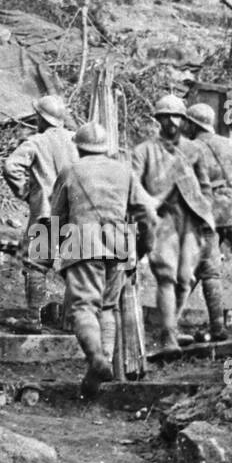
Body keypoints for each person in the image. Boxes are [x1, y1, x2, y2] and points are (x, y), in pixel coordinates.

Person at [50, 122, 156, 397]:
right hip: (119, 244)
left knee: (82, 307)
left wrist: (43, 256)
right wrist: (144, 247)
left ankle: (96, 355)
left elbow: (54, 217)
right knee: (108, 308)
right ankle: (101, 365)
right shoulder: (124, 172)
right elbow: (149, 213)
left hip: (82, 243)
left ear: (79, 147)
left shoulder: (70, 171)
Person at [130, 94, 222, 349]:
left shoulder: (194, 150)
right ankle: (168, 337)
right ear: (158, 119)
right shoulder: (144, 151)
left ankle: (173, 325)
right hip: (162, 220)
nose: (171, 122)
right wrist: (149, 209)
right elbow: (134, 186)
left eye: (177, 117)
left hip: (191, 221)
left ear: (183, 120)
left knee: (186, 279)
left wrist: (206, 211)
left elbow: (206, 187)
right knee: (167, 276)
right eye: (166, 117)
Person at [2, 94, 77, 329]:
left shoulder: (36, 141)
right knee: (74, 266)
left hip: (46, 212)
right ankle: (73, 320)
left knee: (36, 264)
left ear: (42, 119)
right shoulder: (78, 141)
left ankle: (33, 318)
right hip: (74, 214)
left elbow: (10, 166)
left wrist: (26, 192)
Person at [183, 103, 232, 312]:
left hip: (208, 211)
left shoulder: (189, 148)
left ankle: (179, 309)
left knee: (205, 265)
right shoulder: (231, 144)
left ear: (192, 124)